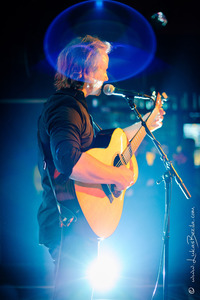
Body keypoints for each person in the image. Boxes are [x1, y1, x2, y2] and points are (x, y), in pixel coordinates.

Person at [37, 35, 165, 299]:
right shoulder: (65, 107)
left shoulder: (76, 107)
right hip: (68, 223)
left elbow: (109, 149)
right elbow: (69, 160)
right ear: (83, 70)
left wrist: (147, 124)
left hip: (78, 222)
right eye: (102, 68)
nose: (107, 76)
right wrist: (118, 175)